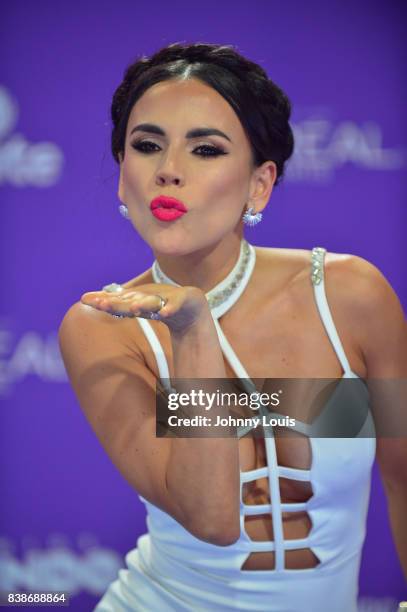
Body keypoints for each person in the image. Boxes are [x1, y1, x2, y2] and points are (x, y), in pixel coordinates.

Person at [58, 42, 407, 612]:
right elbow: (214, 518)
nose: (168, 171)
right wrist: (194, 333)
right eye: (146, 146)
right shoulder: (101, 327)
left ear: (259, 185)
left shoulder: (349, 294)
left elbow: (404, 475)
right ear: (123, 179)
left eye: (205, 149)